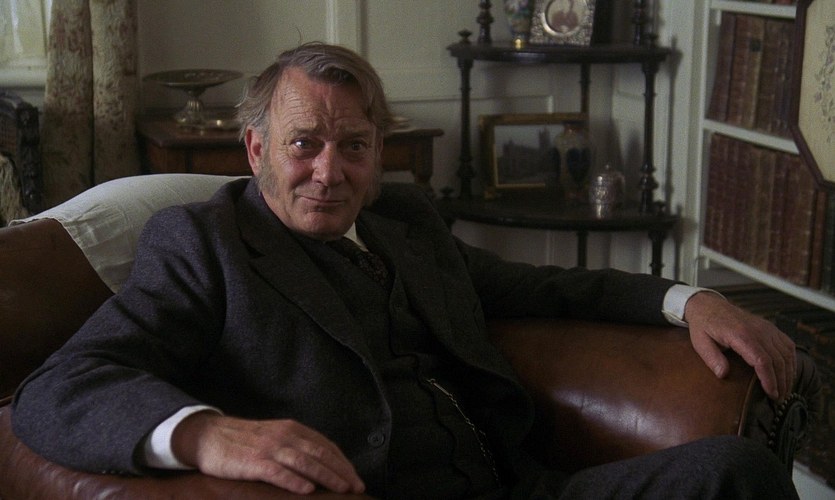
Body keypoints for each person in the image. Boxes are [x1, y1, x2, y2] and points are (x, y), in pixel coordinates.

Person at [12, 42, 798, 498]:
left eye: (353, 146)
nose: (329, 172)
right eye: (302, 144)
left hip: (523, 487)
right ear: (255, 149)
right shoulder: (202, 245)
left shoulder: (406, 224)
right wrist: (203, 433)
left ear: (378, 152)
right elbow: (61, 386)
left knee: (736, 470)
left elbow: (543, 286)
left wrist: (689, 300)